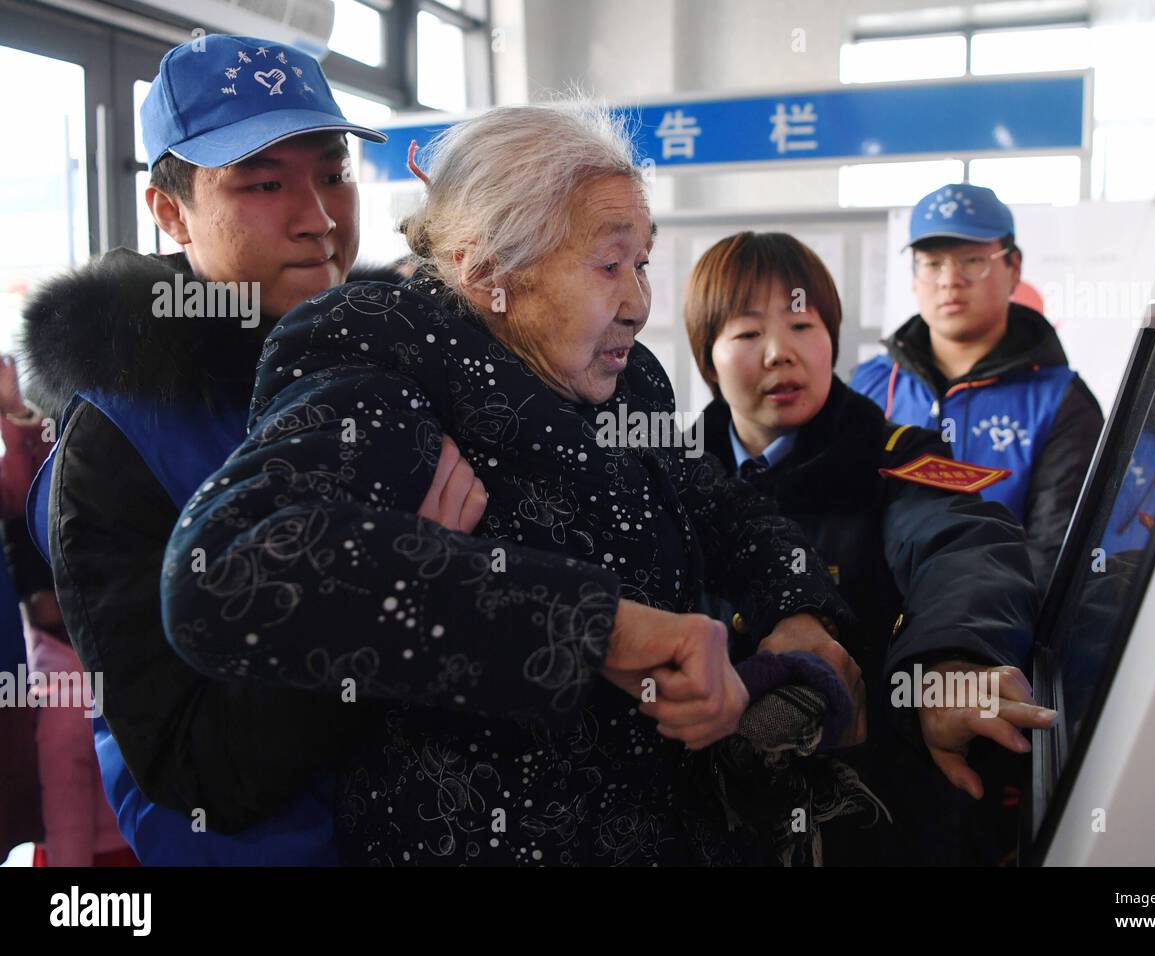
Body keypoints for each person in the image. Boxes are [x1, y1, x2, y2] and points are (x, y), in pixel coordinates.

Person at [161, 102, 862, 867]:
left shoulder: (626, 382)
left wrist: (796, 608)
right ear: (488, 271)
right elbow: (233, 567)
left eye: (644, 263)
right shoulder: (380, 362)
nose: (637, 302)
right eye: (607, 264)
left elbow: (724, 509)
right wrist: (601, 630)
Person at [19, 34, 407, 865]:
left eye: (334, 173)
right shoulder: (121, 438)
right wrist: (392, 601)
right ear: (169, 211)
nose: (319, 218)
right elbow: (194, 767)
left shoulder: (394, 362)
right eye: (264, 184)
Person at [685, 230, 1051, 864]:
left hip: (875, 822)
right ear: (707, 358)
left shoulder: (896, 462)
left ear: (832, 339)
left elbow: (965, 546)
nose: (780, 353)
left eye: (802, 325)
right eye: (747, 334)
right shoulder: (670, 482)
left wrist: (950, 663)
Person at [851, 185, 1104, 592]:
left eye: (972, 261)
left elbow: (1056, 557)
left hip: (995, 638)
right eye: (932, 264)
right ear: (914, 278)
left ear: (1014, 268)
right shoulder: (869, 384)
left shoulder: (1061, 403)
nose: (950, 281)